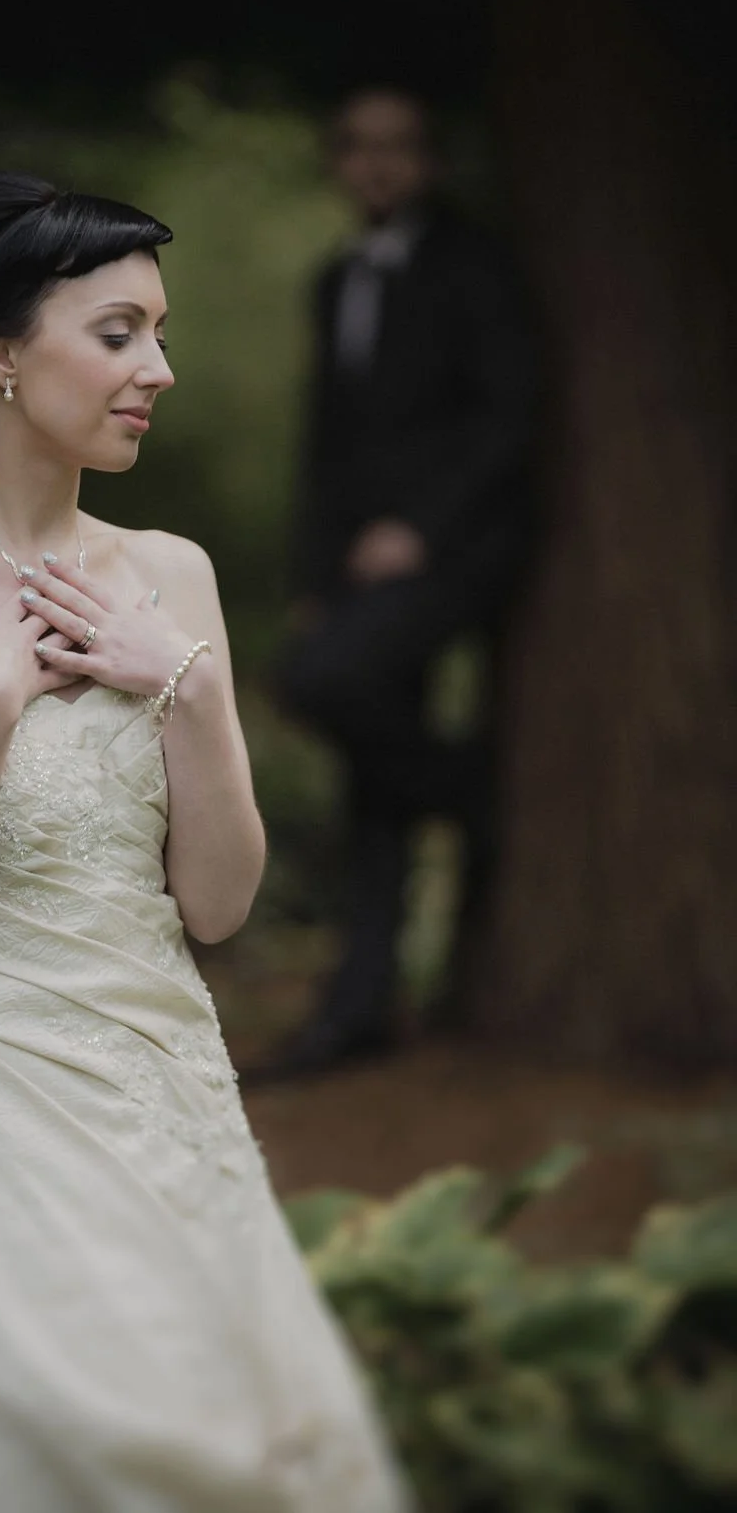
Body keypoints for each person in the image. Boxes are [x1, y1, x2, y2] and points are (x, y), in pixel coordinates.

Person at [0, 172, 409, 1513]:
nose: (161, 370)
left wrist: (180, 682)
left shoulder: (171, 577)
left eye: (162, 334)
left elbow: (222, 902)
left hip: (166, 1101)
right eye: (121, 333)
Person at [269, 87, 538, 1078]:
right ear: (338, 161)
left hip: (458, 550)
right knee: (369, 789)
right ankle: (358, 1008)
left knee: (319, 683)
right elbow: (326, 440)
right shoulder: (334, 278)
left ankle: (479, 799)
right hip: (354, 563)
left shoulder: (476, 267)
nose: (377, 165)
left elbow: (507, 416)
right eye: (358, 147)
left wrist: (421, 529)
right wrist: (312, 569)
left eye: (398, 146)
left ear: (429, 160)